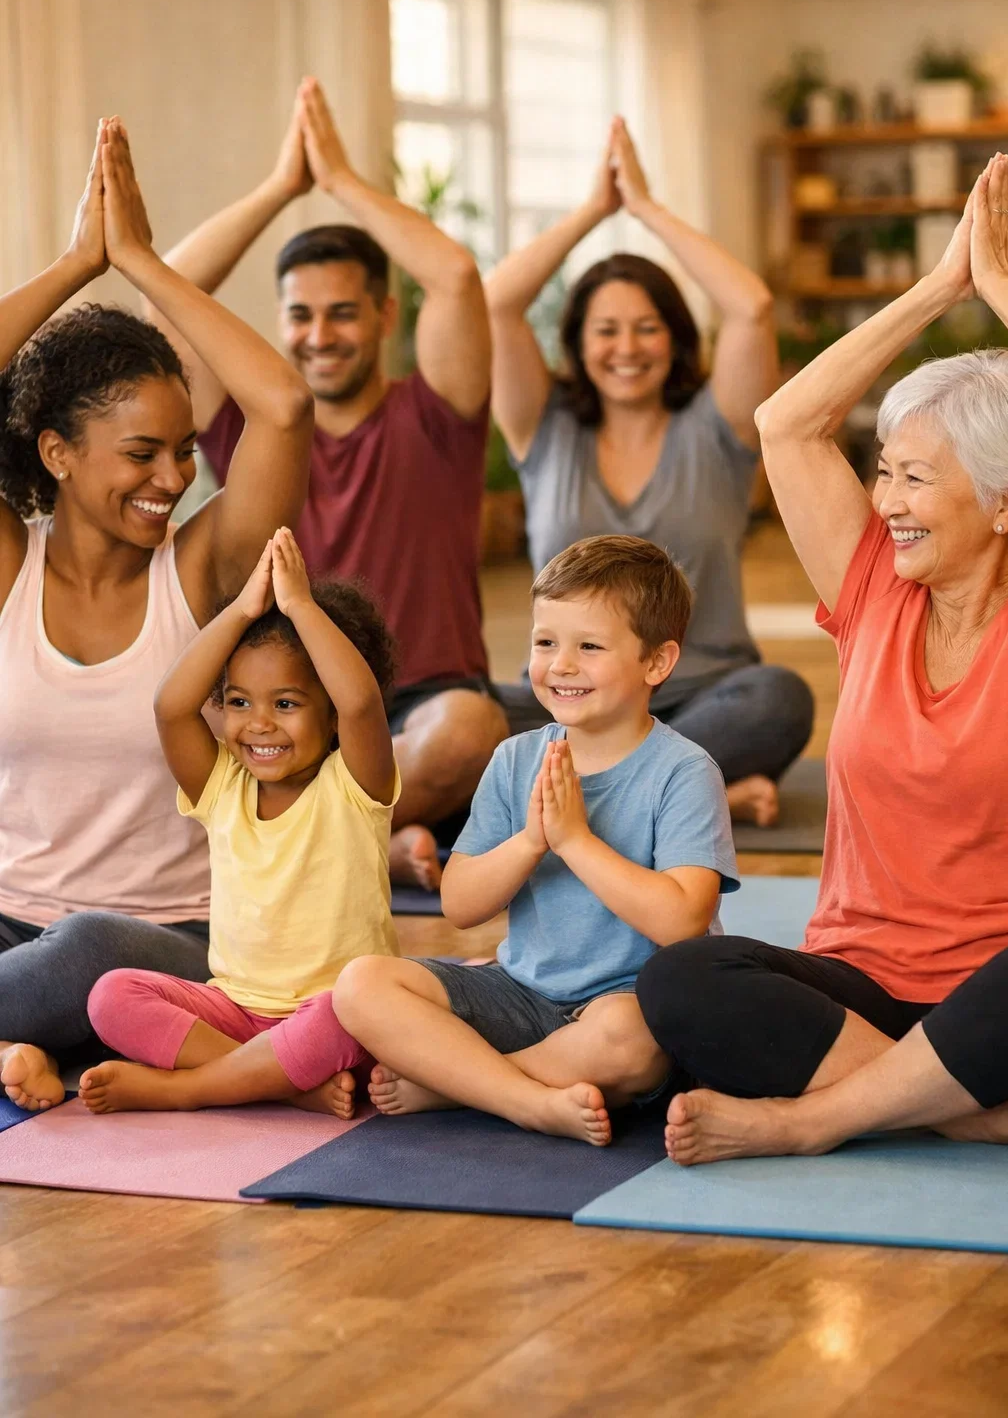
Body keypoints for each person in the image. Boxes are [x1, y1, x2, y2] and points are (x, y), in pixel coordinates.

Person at [634, 153, 1008, 1165]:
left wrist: (1007, 292)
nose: (883, 501)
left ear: (1007, 501)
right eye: (881, 472)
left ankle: (818, 1117)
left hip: (1004, 990)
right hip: (865, 985)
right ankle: (958, 1108)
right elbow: (784, 424)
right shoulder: (875, 590)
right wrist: (939, 290)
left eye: (914, 479)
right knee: (681, 980)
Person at [0, 120, 313, 1112]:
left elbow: (283, 407)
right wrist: (72, 265)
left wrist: (139, 263)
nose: (174, 479)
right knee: (55, 954)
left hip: (163, 942)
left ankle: (28, 1035)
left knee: (88, 949)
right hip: (11, 929)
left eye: (183, 451)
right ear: (57, 452)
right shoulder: (12, 571)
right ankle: (22, 1043)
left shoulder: (203, 569)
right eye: (143, 453)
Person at [150, 78, 506, 890]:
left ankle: (316, 838)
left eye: (342, 313)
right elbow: (168, 290)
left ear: (385, 316)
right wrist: (281, 188)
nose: (319, 335)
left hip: (419, 700)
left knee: (472, 731)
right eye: (301, 315)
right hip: (278, 699)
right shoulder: (250, 426)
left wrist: (340, 179)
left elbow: (453, 278)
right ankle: (358, 842)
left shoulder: (437, 414)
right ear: (279, 321)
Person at [333, 535, 738, 1146]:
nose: (561, 665)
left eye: (590, 647)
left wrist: (576, 841)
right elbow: (460, 906)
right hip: (518, 992)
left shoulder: (683, 771)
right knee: (361, 984)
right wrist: (530, 841)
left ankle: (454, 1086)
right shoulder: (516, 757)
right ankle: (525, 1099)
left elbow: (683, 920)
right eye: (546, 642)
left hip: (620, 1006)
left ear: (656, 662)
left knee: (634, 1041)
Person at [484, 116, 813, 828]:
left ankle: (587, 804)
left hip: (703, 695)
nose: (626, 347)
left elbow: (751, 305)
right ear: (576, 341)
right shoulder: (545, 429)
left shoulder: (717, 425)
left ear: (676, 338)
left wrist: (646, 209)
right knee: (469, 717)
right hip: (567, 703)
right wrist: (592, 212)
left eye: (647, 327)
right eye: (606, 329)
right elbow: (499, 301)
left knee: (778, 697)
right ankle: (685, 798)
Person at [80, 528, 399, 1118]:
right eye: (238, 701)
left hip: (330, 1014)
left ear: (329, 716)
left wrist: (299, 605)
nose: (258, 724)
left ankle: (190, 1089)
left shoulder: (355, 786)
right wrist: (243, 609)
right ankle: (276, 1080)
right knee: (111, 995)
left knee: (358, 1012)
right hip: (235, 1008)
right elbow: (170, 706)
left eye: (286, 703)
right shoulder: (223, 785)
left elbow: (361, 704)